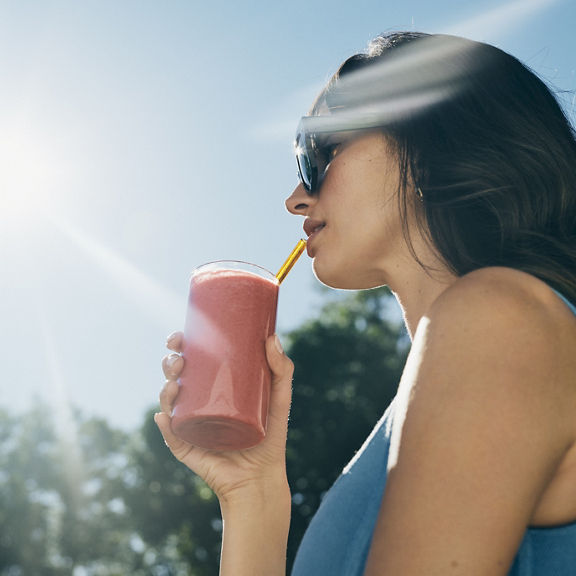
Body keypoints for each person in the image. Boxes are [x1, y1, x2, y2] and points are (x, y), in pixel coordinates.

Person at [155, 31, 576, 575]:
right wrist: (252, 493)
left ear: (432, 130)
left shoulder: (503, 318)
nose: (296, 198)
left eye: (321, 151)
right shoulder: (451, 374)